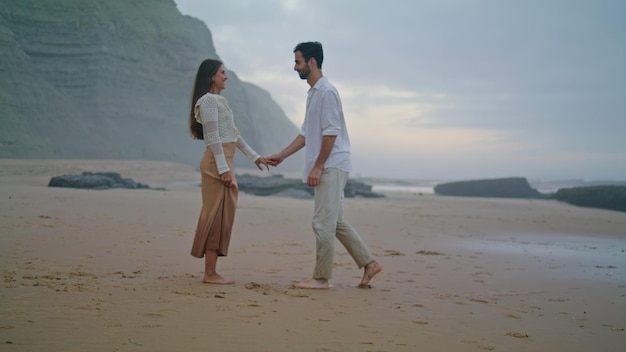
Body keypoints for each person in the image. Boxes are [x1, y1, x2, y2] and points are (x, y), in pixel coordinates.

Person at [269, 42, 383, 289]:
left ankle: (321, 278)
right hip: (331, 163)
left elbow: (331, 133)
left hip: (332, 164)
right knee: (336, 221)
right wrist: (282, 155)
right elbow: (306, 133)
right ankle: (370, 263)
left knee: (322, 222)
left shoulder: (327, 92)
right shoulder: (313, 93)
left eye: (298, 62)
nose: (294, 67)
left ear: (312, 62)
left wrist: (318, 166)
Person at [189, 58, 270, 284]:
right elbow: (214, 138)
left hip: (224, 161)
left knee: (223, 214)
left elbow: (233, 135)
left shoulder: (219, 101)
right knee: (215, 215)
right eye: (222, 73)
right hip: (217, 163)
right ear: (211, 76)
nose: (226, 76)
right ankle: (210, 273)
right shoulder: (207, 102)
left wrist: (255, 157)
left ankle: (211, 271)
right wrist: (224, 169)